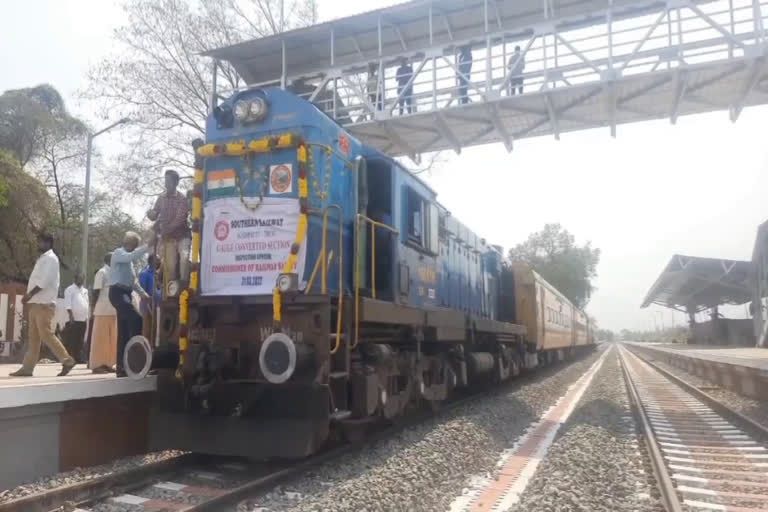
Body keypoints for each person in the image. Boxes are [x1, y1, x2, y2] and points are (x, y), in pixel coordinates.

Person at [11, 233, 75, 377]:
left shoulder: (51, 259)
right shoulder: (43, 258)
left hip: (44, 303)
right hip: (36, 303)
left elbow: (44, 281)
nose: (39, 244)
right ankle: (27, 368)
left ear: (48, 243)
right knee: (33, 338)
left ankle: (67, 360)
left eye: (41, 242)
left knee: (46, 334)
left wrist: (29, 294)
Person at [109, 231, 151, 377]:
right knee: (136, 318)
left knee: (124, 331)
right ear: (129, 243)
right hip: (117, 293)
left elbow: (133, 282)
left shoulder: (130, 263)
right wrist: (148, 245)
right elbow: (131, 256)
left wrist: (144, 295)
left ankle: (122, 367)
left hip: (125, 293)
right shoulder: (118, 253)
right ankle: (136, 353)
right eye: (134, 245)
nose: (134, 248)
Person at [147, 169, 190, 291]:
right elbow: (155, 213)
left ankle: (184, 285)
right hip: (168, 238)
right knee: (169, 267)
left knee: (184, 257)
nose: (166, 184)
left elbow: (179, 219)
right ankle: (172, 290)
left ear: (176, 183)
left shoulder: (182, 199)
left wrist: (164, 228)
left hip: (182, 236)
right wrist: (151, 214)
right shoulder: (161, 198)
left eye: (169, 181)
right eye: (165, 181)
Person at [89, 253, 117, 374]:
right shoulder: (102, 272)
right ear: (108, 260)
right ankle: (97, 365)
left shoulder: (115, 272)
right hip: (102, 310)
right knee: (100, 339)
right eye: (113, 258)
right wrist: (92, 307)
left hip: (113, 310)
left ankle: (108, 363)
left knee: (110, 340)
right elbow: (96, 291)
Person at [63, 273, 89, 364]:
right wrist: (71, 316)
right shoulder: (70, 289)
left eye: (82, 278)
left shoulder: (85, 290)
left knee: (80, 340)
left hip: (83, 319)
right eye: (79, 278)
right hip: (73, 319)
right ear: (75, 278)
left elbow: (86, 303)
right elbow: (68, 303)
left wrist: (86, 317)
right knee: (72, 340)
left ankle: (78, 358)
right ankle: (70, 359)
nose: (81, 280)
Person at [138, 254, 162, 343]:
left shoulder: (158, 275)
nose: (159, 262)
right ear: (151, 261)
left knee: (156, 329)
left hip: (158, 306)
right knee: (147, 329)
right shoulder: (144, 274)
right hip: (147, 305)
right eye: (157, 260)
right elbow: (142, 290)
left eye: (159, 260)